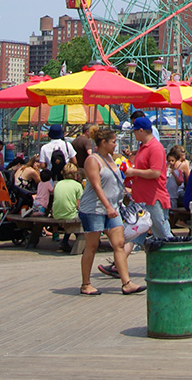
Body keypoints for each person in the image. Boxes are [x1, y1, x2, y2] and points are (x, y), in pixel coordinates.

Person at [78, 126, 145, 295]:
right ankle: (86, 284)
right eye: (113, 142)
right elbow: (96, 186)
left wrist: (123, 195)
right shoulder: (93, 160)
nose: (116, 145)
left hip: (113, 208)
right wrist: (107, 206)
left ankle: (126, 282)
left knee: (119, 244)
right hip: (94, 209)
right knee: (92, 245)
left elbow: (113, 182)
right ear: (103, 142)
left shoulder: (109, 158)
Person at [52, 161, 83, 253]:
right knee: (85, 218)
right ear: (75, 175)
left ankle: (65, 241)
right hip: (70, 215)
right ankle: (81, 241)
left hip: (56, 214)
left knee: (70, 214)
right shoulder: (77, 185)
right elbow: (79, 205)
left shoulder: (58, 184)